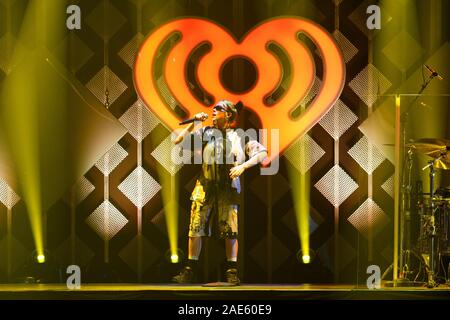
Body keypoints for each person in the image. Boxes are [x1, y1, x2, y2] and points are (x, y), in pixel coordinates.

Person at [172, 100, 268, 285]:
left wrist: (243, 166)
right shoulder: (207, 132)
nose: (214, 111)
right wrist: (194, 123)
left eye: (218, 109)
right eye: (213, 108)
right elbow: (178, 140)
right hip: (205, 184)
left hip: (228, 186)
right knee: (196, 227)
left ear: (229, 114)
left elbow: (262, 153)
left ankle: (231, 271)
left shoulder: (240, 136)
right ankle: (190, 270)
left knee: (230, 230)